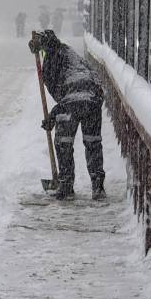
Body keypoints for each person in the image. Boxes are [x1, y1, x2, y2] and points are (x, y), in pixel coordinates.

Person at [29, 30, 106, 201]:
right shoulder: (72, 55)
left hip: (74, 99)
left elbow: (65, 93)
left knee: (63, 143)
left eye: (42, 50)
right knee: (93, 143)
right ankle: (98, 186)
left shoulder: (53, 57)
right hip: (93, 99)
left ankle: (65, 185)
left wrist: (54, 114)